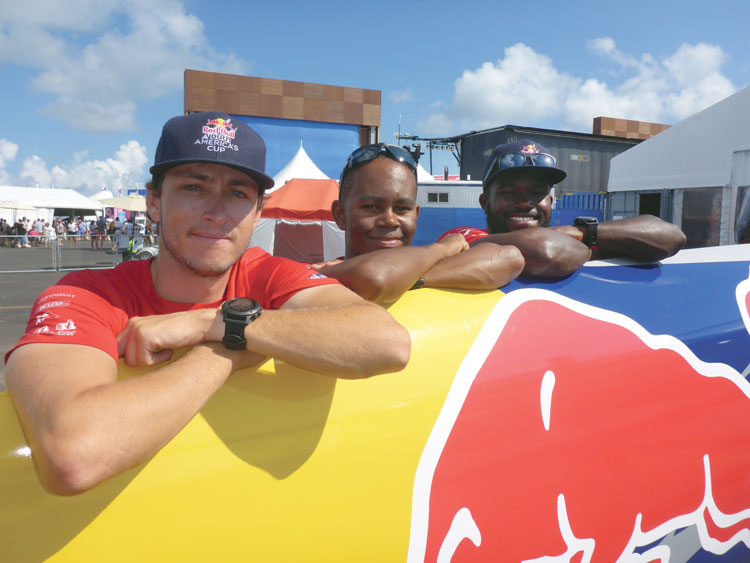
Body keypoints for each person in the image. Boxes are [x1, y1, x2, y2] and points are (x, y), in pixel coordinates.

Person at [4, 111, 410, 496]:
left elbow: (386, 343)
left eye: (237, 193)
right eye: (194, 188)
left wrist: (211, 325)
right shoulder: (86, 294)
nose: (217, 213)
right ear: (154, 202)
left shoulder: (268, 273)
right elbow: (74, 454)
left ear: (257, 212)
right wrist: (227, 350)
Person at [309, 143, 524, 303]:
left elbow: (510, 258)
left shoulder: (427, 262)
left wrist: (407, 276)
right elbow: (377, 277)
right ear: (340, 215)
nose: (390, 220)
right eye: (371, 207)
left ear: (416, 214)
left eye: (402, 209)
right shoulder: (312, 275)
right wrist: (443, 248)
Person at [440, 140, 687, 277]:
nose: (525, 203)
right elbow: (547, 252)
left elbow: (671, 237)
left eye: (538, 193)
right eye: (508, 192)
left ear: (551, 202)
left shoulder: (576, 237)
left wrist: (582, 232)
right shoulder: (464, 239)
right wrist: (587, 242)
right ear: (485, 202)